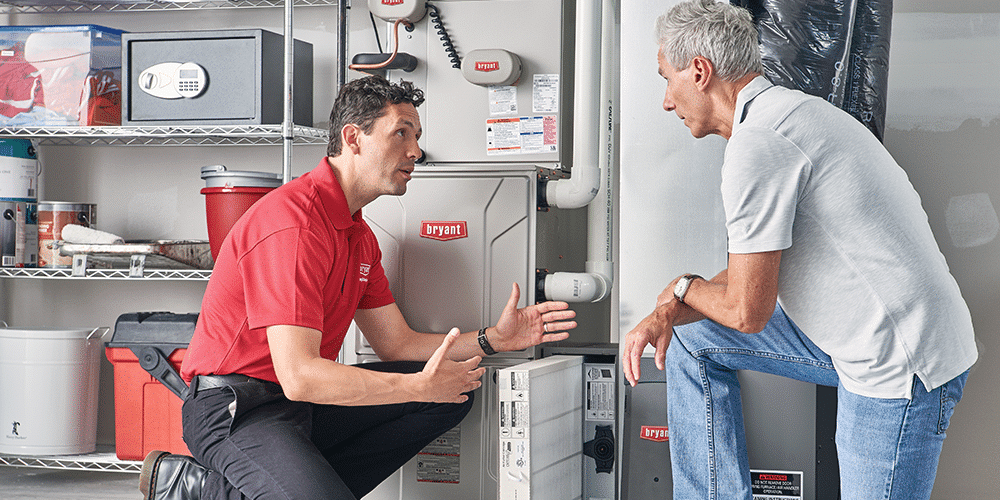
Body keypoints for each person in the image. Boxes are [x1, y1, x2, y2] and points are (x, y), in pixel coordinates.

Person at [138, 75, 577, 500]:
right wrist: (416, 387)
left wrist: (493, 340)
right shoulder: (293, 224)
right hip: (237, 409)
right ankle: (226, 487)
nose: (416, 151)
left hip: (297, 408)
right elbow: (301, 375)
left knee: (452, 393)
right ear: (353, 138)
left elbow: (396, 344)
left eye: (417, 136)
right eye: (400, 134)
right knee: (422, 391)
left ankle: (232, 490)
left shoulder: (358, 235)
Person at [622, 1, 978, 499]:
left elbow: (747, 311)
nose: (666, 100)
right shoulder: (789, 114)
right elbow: (747, 276)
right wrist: (674, 307)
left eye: (667, 78)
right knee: (690, 338)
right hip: (861, 332)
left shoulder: (759, 144)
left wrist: (682, 288)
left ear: (699, 71)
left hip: (899, 363)